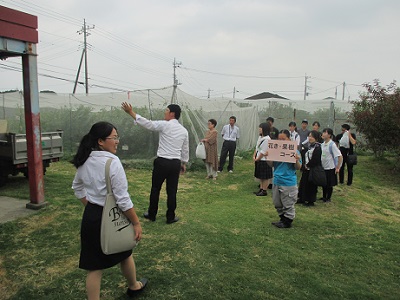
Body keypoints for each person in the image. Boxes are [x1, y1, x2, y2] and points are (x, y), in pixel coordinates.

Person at [71, 121, 147, 299]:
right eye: (114, 138)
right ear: (100, 141)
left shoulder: (85, 159)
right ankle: (134, 286)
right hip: (113, 215)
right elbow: (122, 199)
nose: (117, 141)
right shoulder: (113, 162)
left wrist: (90, 206)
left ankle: (134, 285)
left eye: (117, 137)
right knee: (124, 252)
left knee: (94, 266)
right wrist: (136, 222)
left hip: (92, 216)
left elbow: (77, 188)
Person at [121, 102, 189, 224]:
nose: (165, 112)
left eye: (166, 110)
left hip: (162, 162)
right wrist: (183, 163)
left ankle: (152, 214)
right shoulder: (184, 131)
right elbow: (185, 149)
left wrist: (131, 112)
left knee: (155, 188)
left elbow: (148, 124)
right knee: (172, 191)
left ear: (172, 113)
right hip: (175, 164)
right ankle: (170, 216)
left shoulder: (164, 125)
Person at [267, 129, 301, 228]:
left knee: (288, 203)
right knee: (277, 202)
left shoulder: (294, 151)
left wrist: (296, 160)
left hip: (288, 181)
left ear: (289, 139)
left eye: (284, 139)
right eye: (279, 139)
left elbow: (298, 167)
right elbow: (271, 164)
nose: (281, 141)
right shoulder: (276, 150)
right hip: (277, 179)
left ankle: (288, 221)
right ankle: (282, 219)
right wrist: (269, 157)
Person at [298, 130, 323, 206]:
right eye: (309, 136)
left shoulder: (318, 147)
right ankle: (302, 198)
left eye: (311, 136)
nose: (309, 138)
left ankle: (310, 200)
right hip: (306, 168)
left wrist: (308, 165)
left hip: (312, 169)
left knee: (311, 185)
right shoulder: (309, 146)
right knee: (303, 183)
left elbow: (316, 159)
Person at [321, 128, 343, 202]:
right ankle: (324, 196)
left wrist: (338, 167)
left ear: (329, 135)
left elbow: (340, 156)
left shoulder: (332, 144)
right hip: (323, 167)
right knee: (324, 183)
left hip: (330, 167)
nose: (323, 134)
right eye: (323, 132)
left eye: (325, 132)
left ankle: (328, 197)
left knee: (329, 183)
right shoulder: (322, 144)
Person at [253, 122, 272, 196]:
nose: (259, 130)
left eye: (260, 128)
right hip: (259, 159)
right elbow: (257, 147)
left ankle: (264, 190)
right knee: (260, 176)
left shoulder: (267, 139)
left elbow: (263, 151)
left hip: (264, 160)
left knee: (265, 177)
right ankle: (261, 188)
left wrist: (257, 158)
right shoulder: (260, 137)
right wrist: (254, 155)